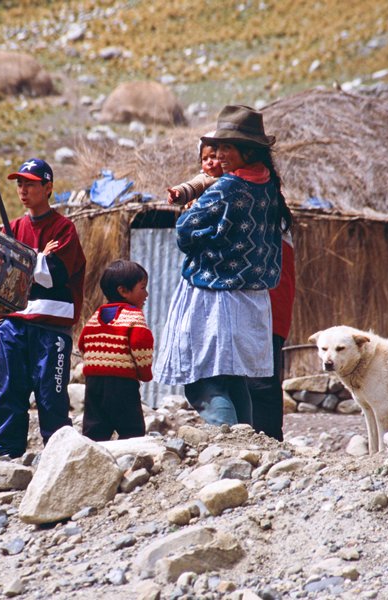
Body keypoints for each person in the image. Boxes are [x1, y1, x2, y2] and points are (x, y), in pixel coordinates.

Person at [154, 105, 292, 426]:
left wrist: (192, 210)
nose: (221, 153)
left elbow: (186, 232)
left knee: (204, 382)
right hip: (250, 299)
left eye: (228, 147)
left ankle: (226, 443)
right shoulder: (268, 185)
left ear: (247, 150)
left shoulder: (229, 188)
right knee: (233, 380)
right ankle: (245, 446)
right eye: (219, 147)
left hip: (214, 297)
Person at [0, 158, 86, 458]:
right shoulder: (12, 228)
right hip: (13, 323)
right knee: (8, 390)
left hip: (51, 326)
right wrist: (36, 257)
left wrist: (23, 258)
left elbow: (54, 276)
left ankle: (59, 458)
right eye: (20, 183)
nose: (23, 189)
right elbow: (2, 273)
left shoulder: (64, 229)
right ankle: (7, 453)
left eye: (30, 183)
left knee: (51, 394)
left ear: (48, 187)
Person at [79, 259, 154, 442]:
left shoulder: (96, 315)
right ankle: (132, 465)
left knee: (95, 429)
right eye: (142, 288)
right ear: (123, 291)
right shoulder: (134, 316)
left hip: (94, 383)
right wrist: (145, 374)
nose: (146, 294)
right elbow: (140, 344)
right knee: (132, 429)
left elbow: (83, 343)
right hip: (123, 384)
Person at [248, 230, 295, 441]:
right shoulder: (272, 221)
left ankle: (266, 442)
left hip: (263, 311)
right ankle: (268, 441)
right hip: (267, 312)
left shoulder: (262, 219)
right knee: (262, 380)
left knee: (260, 382)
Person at [167, 132, 222, 207]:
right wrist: (179, 192)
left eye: (214, 156)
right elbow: (191, 187)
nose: (209, 162)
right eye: (205, 159)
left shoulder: (234, 177)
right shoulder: (204, 179)